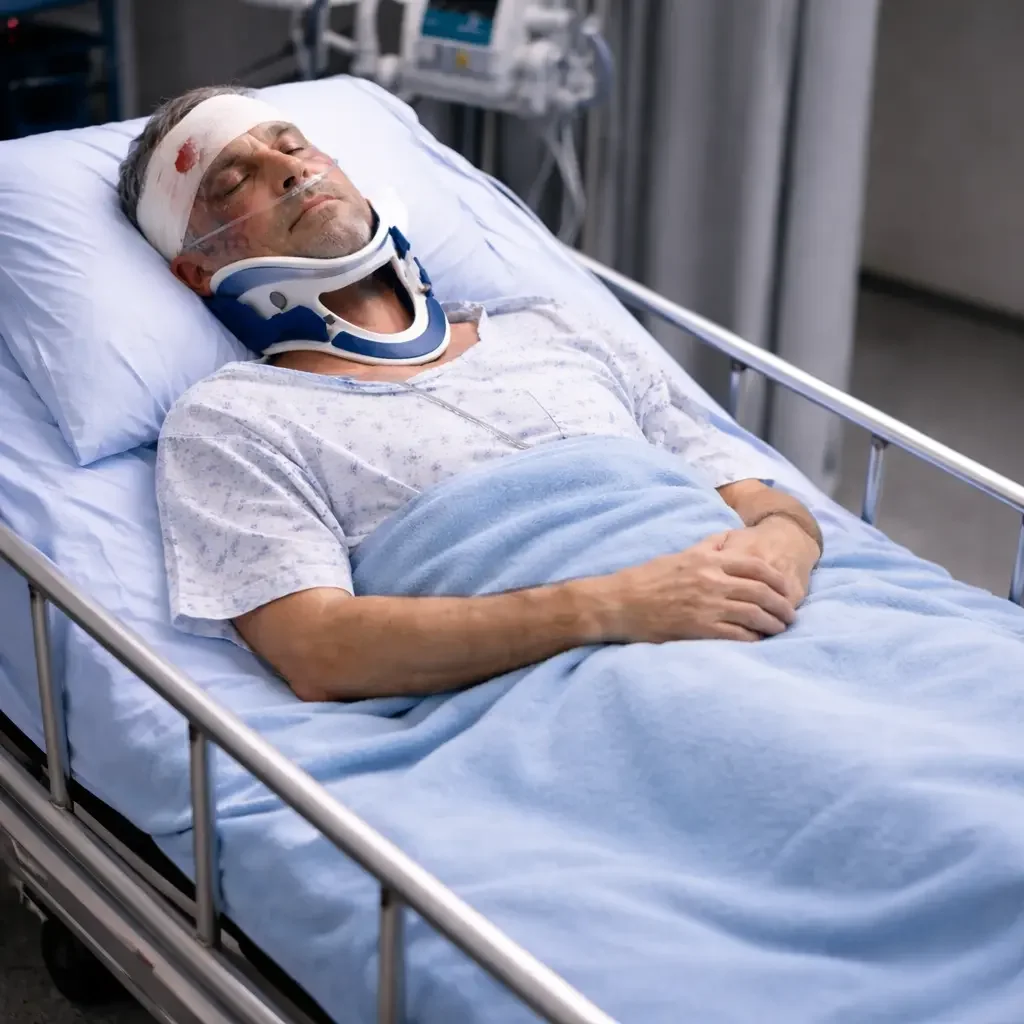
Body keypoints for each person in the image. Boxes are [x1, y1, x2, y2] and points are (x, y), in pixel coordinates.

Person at [118, 85, 824, 704]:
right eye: (235, 180)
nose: (291, 170)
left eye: (294, 145)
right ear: (197, 271)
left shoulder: (552, 326)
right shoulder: (235, 421)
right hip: (598, 685)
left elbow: (759, 499)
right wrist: (617, 605)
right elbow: (318, 649)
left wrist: (780, 553)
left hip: (794, 623)